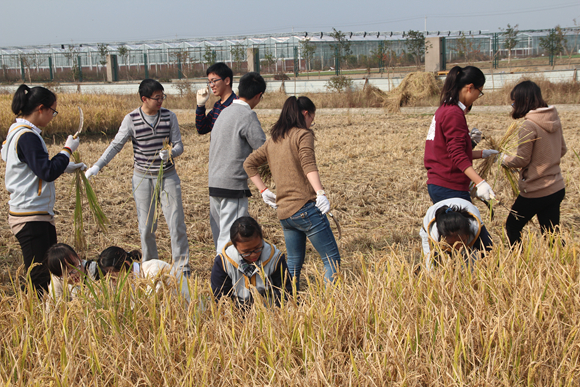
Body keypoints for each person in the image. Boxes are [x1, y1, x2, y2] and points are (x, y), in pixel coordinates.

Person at [85, 79, 190, 275]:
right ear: (144, 99)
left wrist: (171, 153)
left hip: (168, 176)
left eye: (162, 97)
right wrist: (97, 166)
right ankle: (149, 268)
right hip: (142, 178)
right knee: (146, 227)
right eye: (157, 98)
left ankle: (182, 267)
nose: (161, 101)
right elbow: (116, 145)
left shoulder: (169, 116)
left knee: (176, 223)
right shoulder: (131, 119)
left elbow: (179, 145)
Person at [244, 96, 341, 290]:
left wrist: (263, 190)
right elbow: (308, 164)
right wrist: (320, 192)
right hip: (305, 209)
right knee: (332, 261)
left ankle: (286, 301)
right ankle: (333, 305)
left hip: (285, 214)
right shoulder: (302, 135)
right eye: (312, 117)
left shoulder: (274, 140)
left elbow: (249, 163)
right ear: (305, 113)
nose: (312, 122)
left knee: (294, 265)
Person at [2, 85, 84, 294]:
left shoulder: (17, 131)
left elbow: (32, 166)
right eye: (53, 111)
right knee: (39, 275)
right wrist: (66, 151)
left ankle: (47, 313)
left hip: (36, 213)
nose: (53, 117)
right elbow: (46, 172)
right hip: (30, 215)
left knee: (49, 270)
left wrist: (63, 166)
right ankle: (32, 317)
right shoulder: (27, 136)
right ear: (41, 108)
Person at [502, 80, 567, 246]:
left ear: (524, 101)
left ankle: (520, 263)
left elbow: (522, 160)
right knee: (551, 234)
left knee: (512, 226)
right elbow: (562, 150)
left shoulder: (529, 125)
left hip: (537, 190)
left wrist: (503, 159)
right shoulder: (554, 118)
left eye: (514, 101)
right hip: (556, 187)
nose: (512, 105)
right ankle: (562, 264)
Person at [208, 72, 267, 253]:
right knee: (232, 238)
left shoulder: (224, 112)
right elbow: (263, 149)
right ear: (258, 96)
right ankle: (225, 277)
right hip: (232, 186)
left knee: (220, 234)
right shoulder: (247, 115)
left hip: (214, 183)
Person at [424, 65, 499, 204]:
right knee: (473, 226)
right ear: (470, 88)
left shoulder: (445, 109)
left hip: (441, 185)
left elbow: (447, 152)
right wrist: (480, 182)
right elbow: (457, 154)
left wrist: (483, 153)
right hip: (449, 187)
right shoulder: (453, 114)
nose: (478, 97)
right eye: (480, 92)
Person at [210, 216, 291, 308]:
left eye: (257, 248)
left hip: (269, 312)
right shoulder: (223, 262)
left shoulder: (275, 258)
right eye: (246, 252)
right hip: (236, 313)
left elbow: (285, 292)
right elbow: (220, 298)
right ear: (235, 247)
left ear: (262, 239)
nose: (253, 255)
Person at [96, 246, 191, 302]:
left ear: (126, 264)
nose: (114, 284)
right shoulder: (132, 282)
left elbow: (150, 306)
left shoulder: (155, 271)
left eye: (114, 279)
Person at [420, 198, 490, 271]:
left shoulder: (476, 228)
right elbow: (435, 264)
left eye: (462, 241)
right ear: (442, 239)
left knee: (471, 269)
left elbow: (491, 258)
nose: (459, 247)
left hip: (465, 205)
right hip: (429, 226)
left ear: (468, 234)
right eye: (452, 244)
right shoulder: (434, 235)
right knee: (431, 270)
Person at [196, 62, 237, 134]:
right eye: (209, 82)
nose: (211, 85)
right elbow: (202, 129)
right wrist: (200, 106)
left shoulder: (236, 105)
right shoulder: (217, 106)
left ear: (227, 81)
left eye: (214, 81)